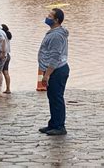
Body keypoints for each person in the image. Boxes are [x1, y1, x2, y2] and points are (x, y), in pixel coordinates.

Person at [37, 8, 70, 136]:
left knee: (57, 98)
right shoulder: (54, 32)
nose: (47, 17)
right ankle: (53, 123)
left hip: (57, 70)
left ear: (56, 20)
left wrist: (46, 75)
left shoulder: (56, 35)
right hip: (54, 70)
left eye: (50, 16)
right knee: (52, 98)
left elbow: (55, 57)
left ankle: (60, 126)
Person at [1, 24, 12, 94]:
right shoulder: (8, 36)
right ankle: (8, 88)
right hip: (8, 55)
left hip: (4, 55)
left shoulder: (3, 36)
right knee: (6, 72)